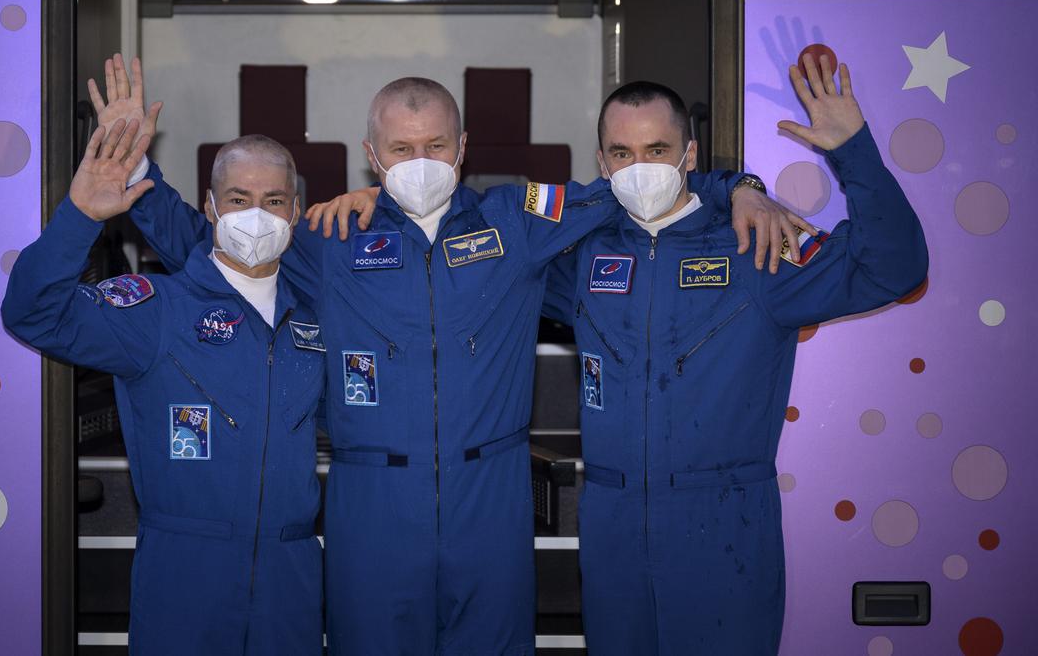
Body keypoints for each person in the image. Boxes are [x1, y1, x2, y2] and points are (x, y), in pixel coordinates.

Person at [90, 54, 804, 655]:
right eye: (400, 150)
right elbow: (208, 244)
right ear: (373, 156)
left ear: (462, 149)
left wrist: (737, 185)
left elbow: (634, 183)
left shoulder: (517, 220)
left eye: (435, 145)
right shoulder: (331, 238)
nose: (419, 163)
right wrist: (132, 165)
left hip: (489, 495)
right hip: (372, 499)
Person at [549, 59, 927, 656]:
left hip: (722, 523)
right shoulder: (581, 256)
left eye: (657, 149)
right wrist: (380, 202)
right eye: (621, 153)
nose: (639, 168)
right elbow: (479, 241)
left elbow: (896, 268)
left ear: (689, 155)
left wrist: (853, 152)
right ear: (602, 164)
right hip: (611, 524)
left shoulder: (756, 248)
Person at [1, 121, 326, 656]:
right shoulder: (155, 308)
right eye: (238, 198)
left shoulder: (313, 317)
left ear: (295, 210)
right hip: (185, 567)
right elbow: (33, 314)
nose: (256, 215)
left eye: (273, 200)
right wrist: (79, 216)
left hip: (291, 571)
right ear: (211, 206)